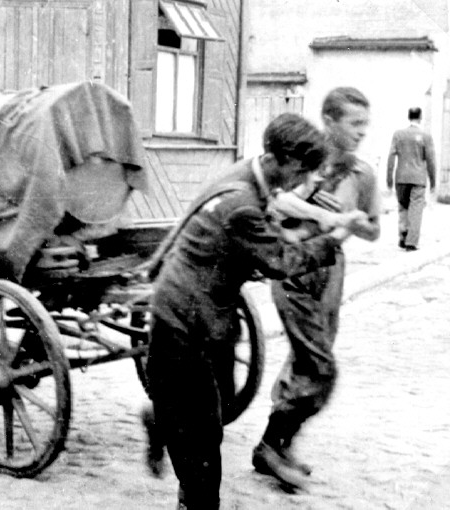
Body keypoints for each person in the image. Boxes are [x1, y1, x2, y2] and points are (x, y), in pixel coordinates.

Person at [142, 113, 367, 510]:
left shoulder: (251, 170)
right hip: (182, 318)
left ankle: (161, 416)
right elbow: (279, 261)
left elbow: (273, 226)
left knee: (224, 402)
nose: (308, 183)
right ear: (285, 162)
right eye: (306, 173)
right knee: (203, 436)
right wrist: (336, 237)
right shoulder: (242, 205)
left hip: (214, 312)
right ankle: (195, 500)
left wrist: (318, 224)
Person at [252, 87, 382, 490]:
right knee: (318, 362)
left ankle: (278, 445)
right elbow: (277, 204)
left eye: (366, 124)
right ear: (329, 122)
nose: (362, 132)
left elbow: (375, 230)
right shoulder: (306, 161)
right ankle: (271, 445)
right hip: (294, 268)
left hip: (331, 268)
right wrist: (317, 213)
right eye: (354, 123)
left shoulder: (363, 173)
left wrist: (358, 225)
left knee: (309, 355)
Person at [386, 106, 436, 251]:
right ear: (420, 117)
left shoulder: (398, 134)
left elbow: (390, 157)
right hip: (418, 179)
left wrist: (389, 180)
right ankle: (411, 242)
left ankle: (403, 236)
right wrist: (433, 181)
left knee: (403, 208)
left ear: (409, 117)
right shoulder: (426, 136)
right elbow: (431, 161)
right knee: (416, 209)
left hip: (400, 178)